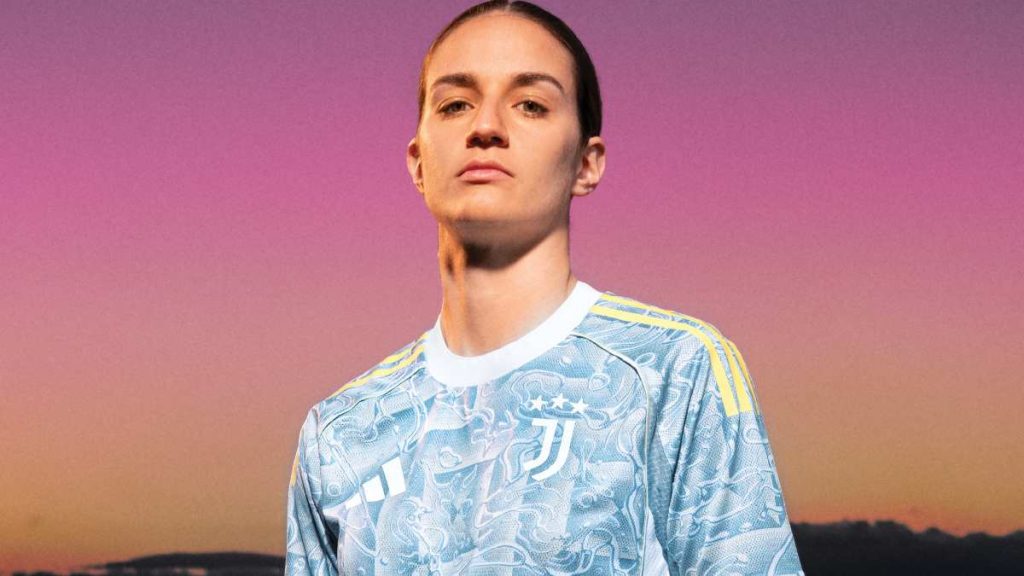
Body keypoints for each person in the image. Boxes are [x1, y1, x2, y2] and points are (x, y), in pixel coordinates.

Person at [285, 1, 804, 574]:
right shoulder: (339, 435)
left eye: (531, 104)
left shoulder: (673, 370)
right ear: (417, 163)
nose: (485, 127)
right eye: (455, 104)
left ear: (587, 163)